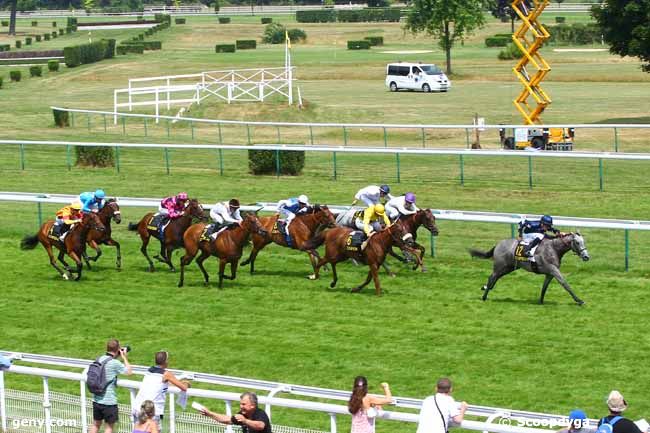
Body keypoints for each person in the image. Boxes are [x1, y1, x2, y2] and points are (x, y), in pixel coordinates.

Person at [133, 351, 191, 432]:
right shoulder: (166, 374)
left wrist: (180, 378)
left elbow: (163, 384)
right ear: (166, 361)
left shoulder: (149, 370)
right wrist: (186, 384)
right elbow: (183, 388)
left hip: (138, 408)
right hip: (153, 411)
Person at [90, 339, 133, 433]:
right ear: (118, 349)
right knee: (109, 428)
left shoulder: (99, 359)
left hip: (96, 399)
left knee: (95, 424)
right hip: (109, 402)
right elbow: (129, 371)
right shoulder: (115, 363)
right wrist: (124, 357)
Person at [199, 392, 271, 433]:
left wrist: (245, 421)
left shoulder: (260, 413)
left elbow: (260, 426)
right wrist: (210, 414)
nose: (241, 406)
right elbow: (227, 419)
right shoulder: (243, 414)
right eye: (240, 404)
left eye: (243, 404)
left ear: (253, 405)